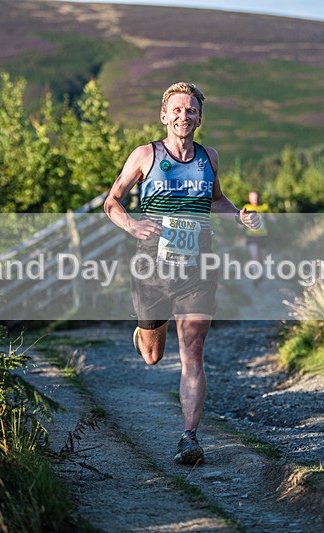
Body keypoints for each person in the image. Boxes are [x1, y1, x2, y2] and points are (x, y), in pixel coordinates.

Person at [104, 82, 261, 465]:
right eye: (177, 110)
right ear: (164, 115)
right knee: (153, 356)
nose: (183, 116)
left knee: (193, 349)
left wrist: (239, 217)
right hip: (152, 267)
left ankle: (189, 437)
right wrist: (132, 226)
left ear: (199, 118)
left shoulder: (209, 158)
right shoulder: (146, 155)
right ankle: (144, 334)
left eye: (191, 110)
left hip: (197, 267)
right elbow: (113, 201)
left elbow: (216, 200)